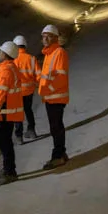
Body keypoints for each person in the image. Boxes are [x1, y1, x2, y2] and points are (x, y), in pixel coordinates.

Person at [0, 41, 25, 185]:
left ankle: (10, 172)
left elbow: (0, 94)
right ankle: (7, 168)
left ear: (5, 55)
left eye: (1, 51)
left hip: (3, 113)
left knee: (2, 141)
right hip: (8, 113)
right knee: (5, 142)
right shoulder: (12, 68)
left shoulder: (6, 71)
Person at [39, 24, 69, 169]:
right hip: (51, 97)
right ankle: (62, 153)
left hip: (56, 97)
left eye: (48, 36)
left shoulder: (59, 52)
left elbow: (60, 77)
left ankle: (57, 157)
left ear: (55, 38)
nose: (45, 38)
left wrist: (48, 89)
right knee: (56, 127)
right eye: (43, 36)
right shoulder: (49, 53)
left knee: (56, 128)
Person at [11, 35, 39, 144]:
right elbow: (38, 75)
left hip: (17, 92)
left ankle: (19, 137)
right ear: (25, 46)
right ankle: (31, 131)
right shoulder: (31, 59)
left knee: (18, 113)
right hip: (29, 91)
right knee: (28, 110)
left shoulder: (12, 60)